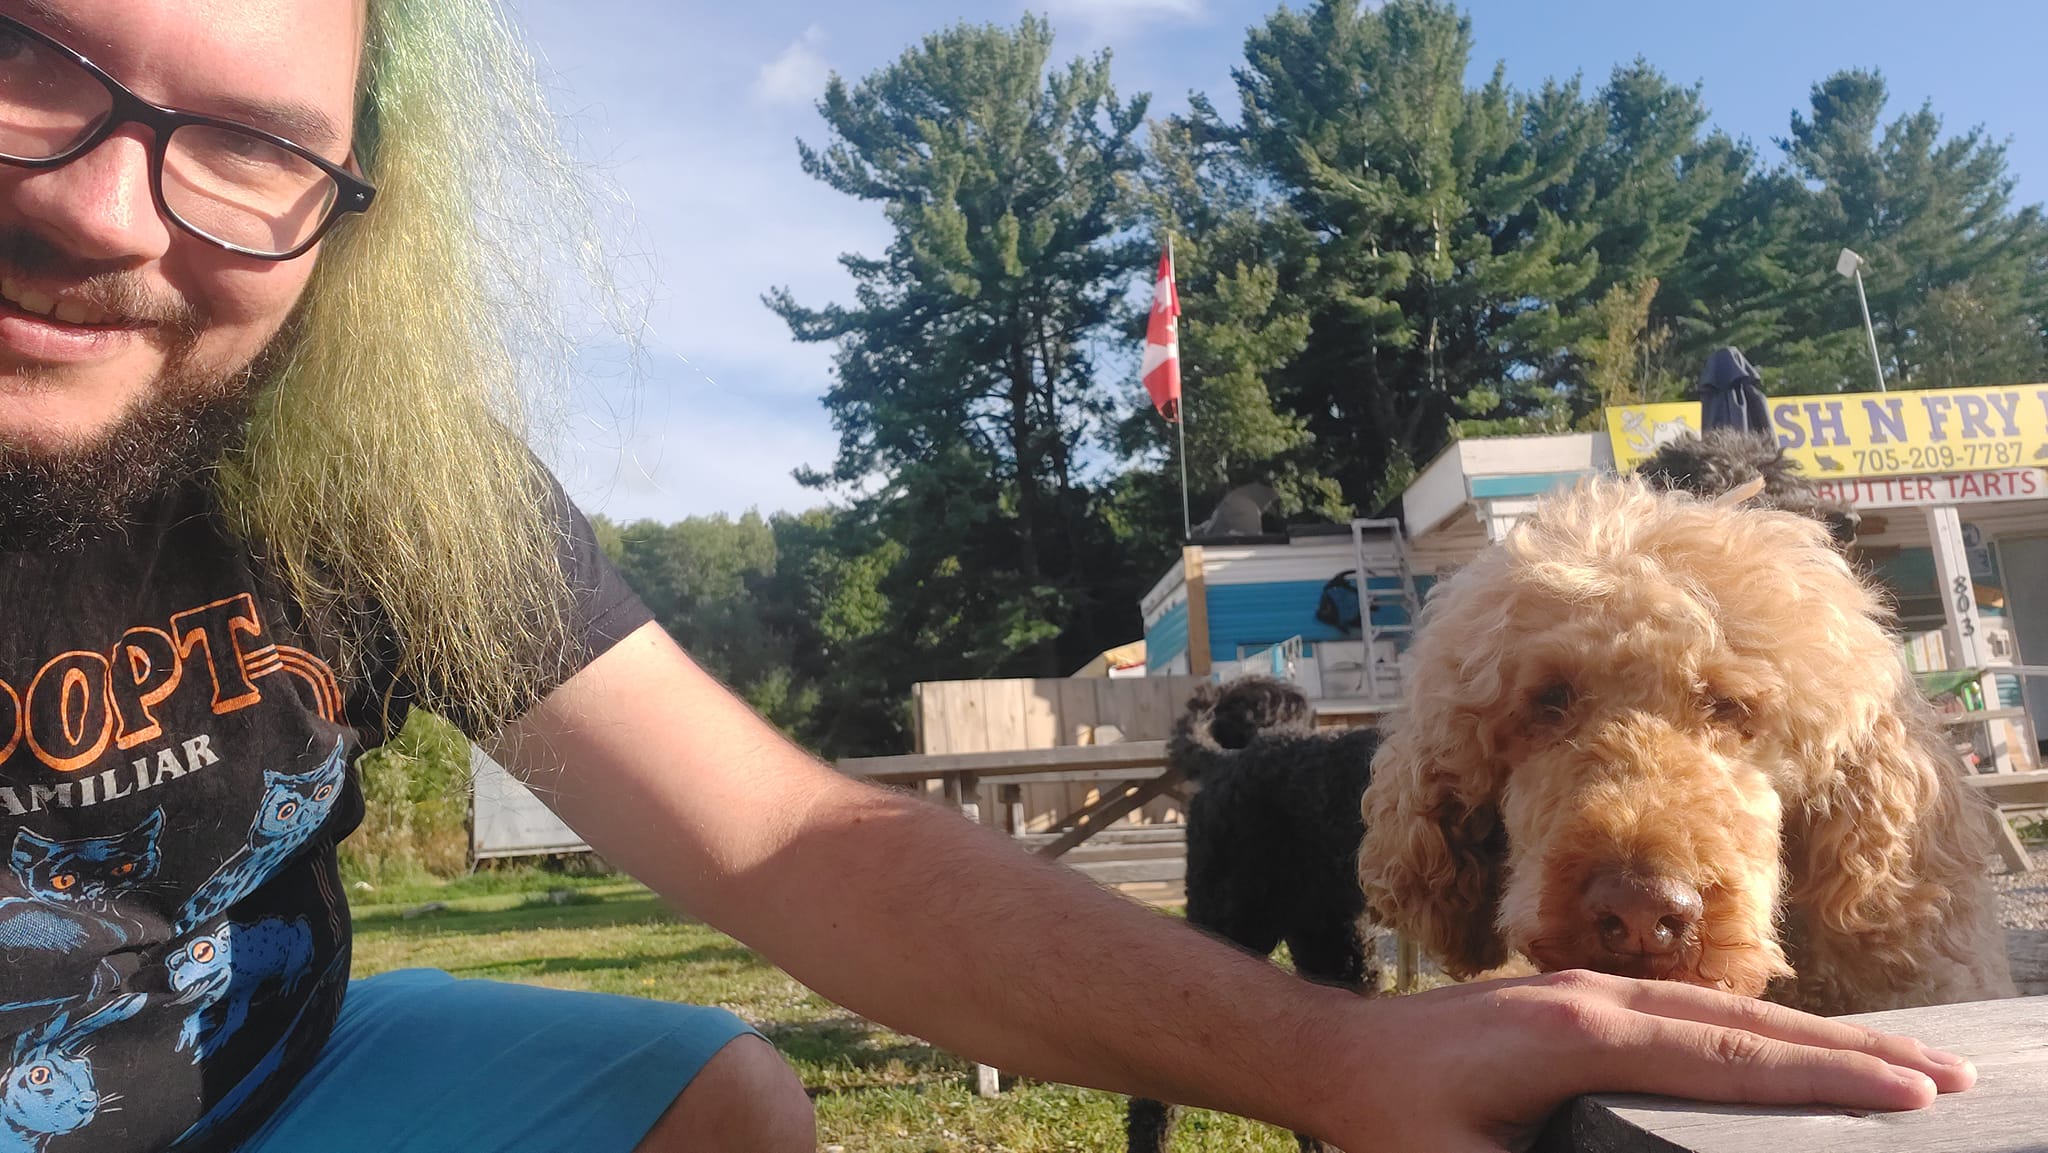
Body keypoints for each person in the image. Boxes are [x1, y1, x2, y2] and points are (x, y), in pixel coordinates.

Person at [0, 1, 1976, 1151]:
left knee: (725, 1099)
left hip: (263, 1059)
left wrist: (1332, 1050)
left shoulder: (373, 476)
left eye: (247, 145)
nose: (104, 205)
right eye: (36, 53)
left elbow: (787, 842)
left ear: (354, 213)